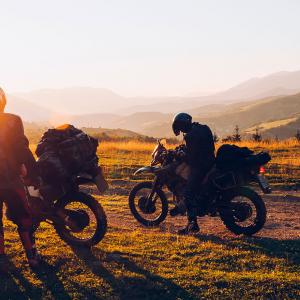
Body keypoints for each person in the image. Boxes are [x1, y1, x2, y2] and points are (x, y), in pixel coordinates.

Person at [0, 88, 41, 273]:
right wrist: (27, 166)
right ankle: (31, 255)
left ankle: (4, 258)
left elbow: (20, 146)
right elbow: (21, 146)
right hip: (10, 178)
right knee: (24, 217)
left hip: (9, 177)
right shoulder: (13, 120)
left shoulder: (12, 120)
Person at [172, 112, 215, 235]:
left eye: (180, 128)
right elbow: (201, 148)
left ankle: (192, 225)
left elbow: (192, 159)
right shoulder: (203, 128)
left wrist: (181, 155)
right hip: (211, 161)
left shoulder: (190, 136)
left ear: (183, 126)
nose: (181, 131)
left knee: (188, 193)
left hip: (201, 167)